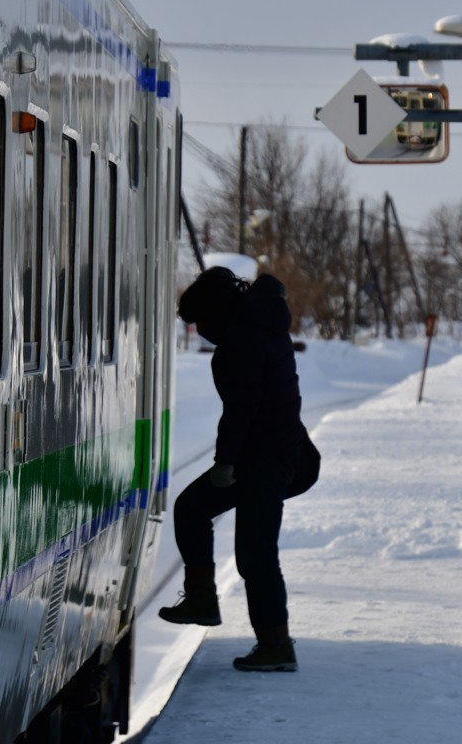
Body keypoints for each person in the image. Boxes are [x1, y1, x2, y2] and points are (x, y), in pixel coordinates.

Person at [159, 266, 313, 673]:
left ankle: (276, 645)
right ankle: (202, 600)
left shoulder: (244, 337)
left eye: (202, 322)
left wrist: (225, 464)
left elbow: (241, 409)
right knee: (193, 508)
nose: (203, 331)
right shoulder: (257, 321)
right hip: (271, 452)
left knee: (255, 550)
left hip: (268, 457)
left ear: (216, 310)